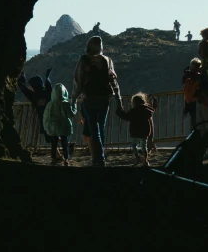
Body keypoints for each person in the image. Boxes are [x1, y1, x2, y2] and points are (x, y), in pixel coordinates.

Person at [71, 35, 120, 167]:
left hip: (89, 99)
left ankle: (99, 160)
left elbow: (79, 82)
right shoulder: (107, 60)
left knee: (94, 129)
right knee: (100, 128)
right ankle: (100, 157)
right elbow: (114, 82)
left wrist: (74, 98)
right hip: (104, 99)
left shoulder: (83, 60)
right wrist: (118, 100)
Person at [116, 92, 155, 167]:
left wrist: (119, 111)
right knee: (144, 147)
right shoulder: (147, 110)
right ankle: (145, 160)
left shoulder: (134, 110)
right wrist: (151, 135)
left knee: (134, 146)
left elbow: (126, 117)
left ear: (134, 102)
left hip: (135, 132)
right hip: (144, 132)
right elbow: (150, 122)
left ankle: (137, 158)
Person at [43, 83, 77, 166]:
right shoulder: (66, 104)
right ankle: (66, 159)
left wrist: (46, 126)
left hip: (53, 126)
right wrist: (74, 105)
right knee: (64, 143)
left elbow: (46, 117)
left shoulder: (50, 104)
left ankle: (54, 158)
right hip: (64, 126)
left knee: (54, 143)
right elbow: (71, 114)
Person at [17, 67, 53, 143]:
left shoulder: (34, 95)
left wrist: (22, 76)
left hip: (44, 120)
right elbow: (48, 84)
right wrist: (47, 76)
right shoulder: (48, 92)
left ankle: (58, 152)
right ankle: (62, 149)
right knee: (53, 137)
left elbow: (23, 88)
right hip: (54, 117)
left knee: (50, 138)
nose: (30, 87)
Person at [182, 58, 203, 132]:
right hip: (197, 101)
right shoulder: (200, 76)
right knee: (198, 122)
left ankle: (195, 136)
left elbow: (187, 92)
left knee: (194, 122)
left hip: (189, 102)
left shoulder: (187, 76)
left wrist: (186, 108)